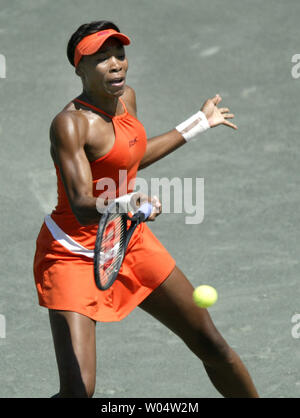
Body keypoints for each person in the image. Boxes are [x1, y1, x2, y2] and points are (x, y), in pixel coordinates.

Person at [33, 20, 259, 398]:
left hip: (128, 239)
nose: (116, 64)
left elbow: (131, 157)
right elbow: (81, 204)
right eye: (101, 58)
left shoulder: (127, 101)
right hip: (71, 253)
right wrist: (125, 202)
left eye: (119, 54)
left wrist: (197, 124)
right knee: (78, 391)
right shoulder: (69, 125)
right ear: (79, 69)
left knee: (211, 344)